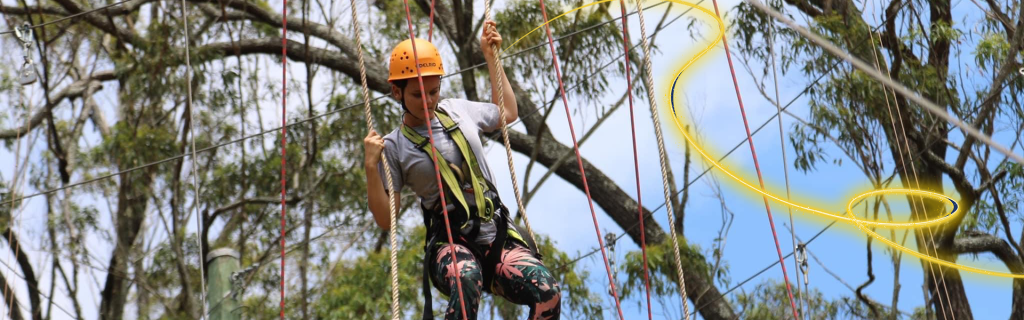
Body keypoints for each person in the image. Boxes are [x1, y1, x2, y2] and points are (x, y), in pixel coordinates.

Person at [363, 21, 561, 320]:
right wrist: (370, 166)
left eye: (433, 91)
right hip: (452, 244)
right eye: (418, 95)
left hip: (497, 237)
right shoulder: (394, 147)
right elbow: (385, 218)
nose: (428, 101)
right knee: (466, 277)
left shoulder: (457, 110)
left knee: (547, 292)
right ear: (396, 92)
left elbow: (507, 112)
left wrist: (491, 57)